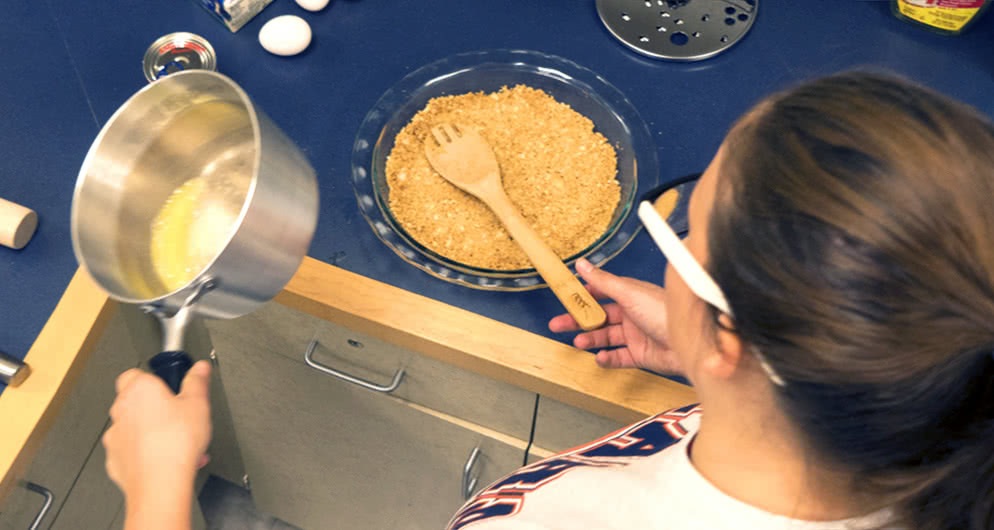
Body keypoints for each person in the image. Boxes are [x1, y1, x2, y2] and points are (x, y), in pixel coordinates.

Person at [103, 72, 994, 530]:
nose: (670, 236)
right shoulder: (946, 442)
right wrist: (702, 365)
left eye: (685, 225)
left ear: (733, 329)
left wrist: (159, 487)